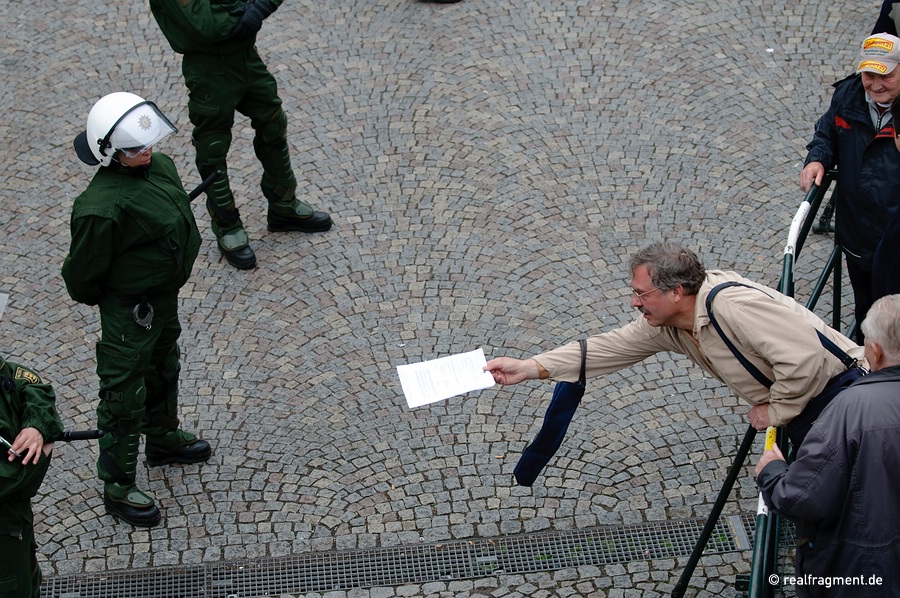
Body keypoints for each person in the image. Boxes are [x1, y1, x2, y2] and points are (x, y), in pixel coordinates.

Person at [484, 242, 866, 449]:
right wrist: (529, 367)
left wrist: (776, 411)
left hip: (842, 403)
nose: (634, 303)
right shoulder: (669, 322)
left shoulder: (732, 306)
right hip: (817, 411)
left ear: (676, 291)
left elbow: (804, 360)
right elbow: (608, 347)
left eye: (640, 294)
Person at [63, 92, 212, 527]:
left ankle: (162, 438)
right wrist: (122, 299)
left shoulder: (158, 167)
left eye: (146, 144)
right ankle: (117, 484)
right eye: (133, 148)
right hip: (130, 310)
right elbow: (81, 277)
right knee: (123, 395)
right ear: (108, 151)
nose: (145, 152)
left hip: (162, 297)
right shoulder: (100, 208)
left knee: (165, 366)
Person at [148, 0, 333, 270]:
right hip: (209, 69)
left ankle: (283, 204)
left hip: (246, 56)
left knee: (273, 123)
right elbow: (207, 26)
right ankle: (227, 225)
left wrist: (258, 7)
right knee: (212, 145)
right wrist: (247, 9)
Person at [754, 294, 900, 597]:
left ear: (875, 350)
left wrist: (771, 471)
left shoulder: (851, 408)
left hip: (865, 574)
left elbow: (802, 497)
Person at [799, 32, 900, 341]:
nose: (876, 84)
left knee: (895, 321)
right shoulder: (848, 95)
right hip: (856, 233)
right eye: (869, 74)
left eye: (886, 75)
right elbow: (827, 130)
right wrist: (817, 158)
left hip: (896, 241)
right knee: (865, 312)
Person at [0, 354, 63, 597]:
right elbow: (9, 480)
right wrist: (43, 454)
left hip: (16, 529)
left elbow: (31, 385)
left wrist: (35, 426)